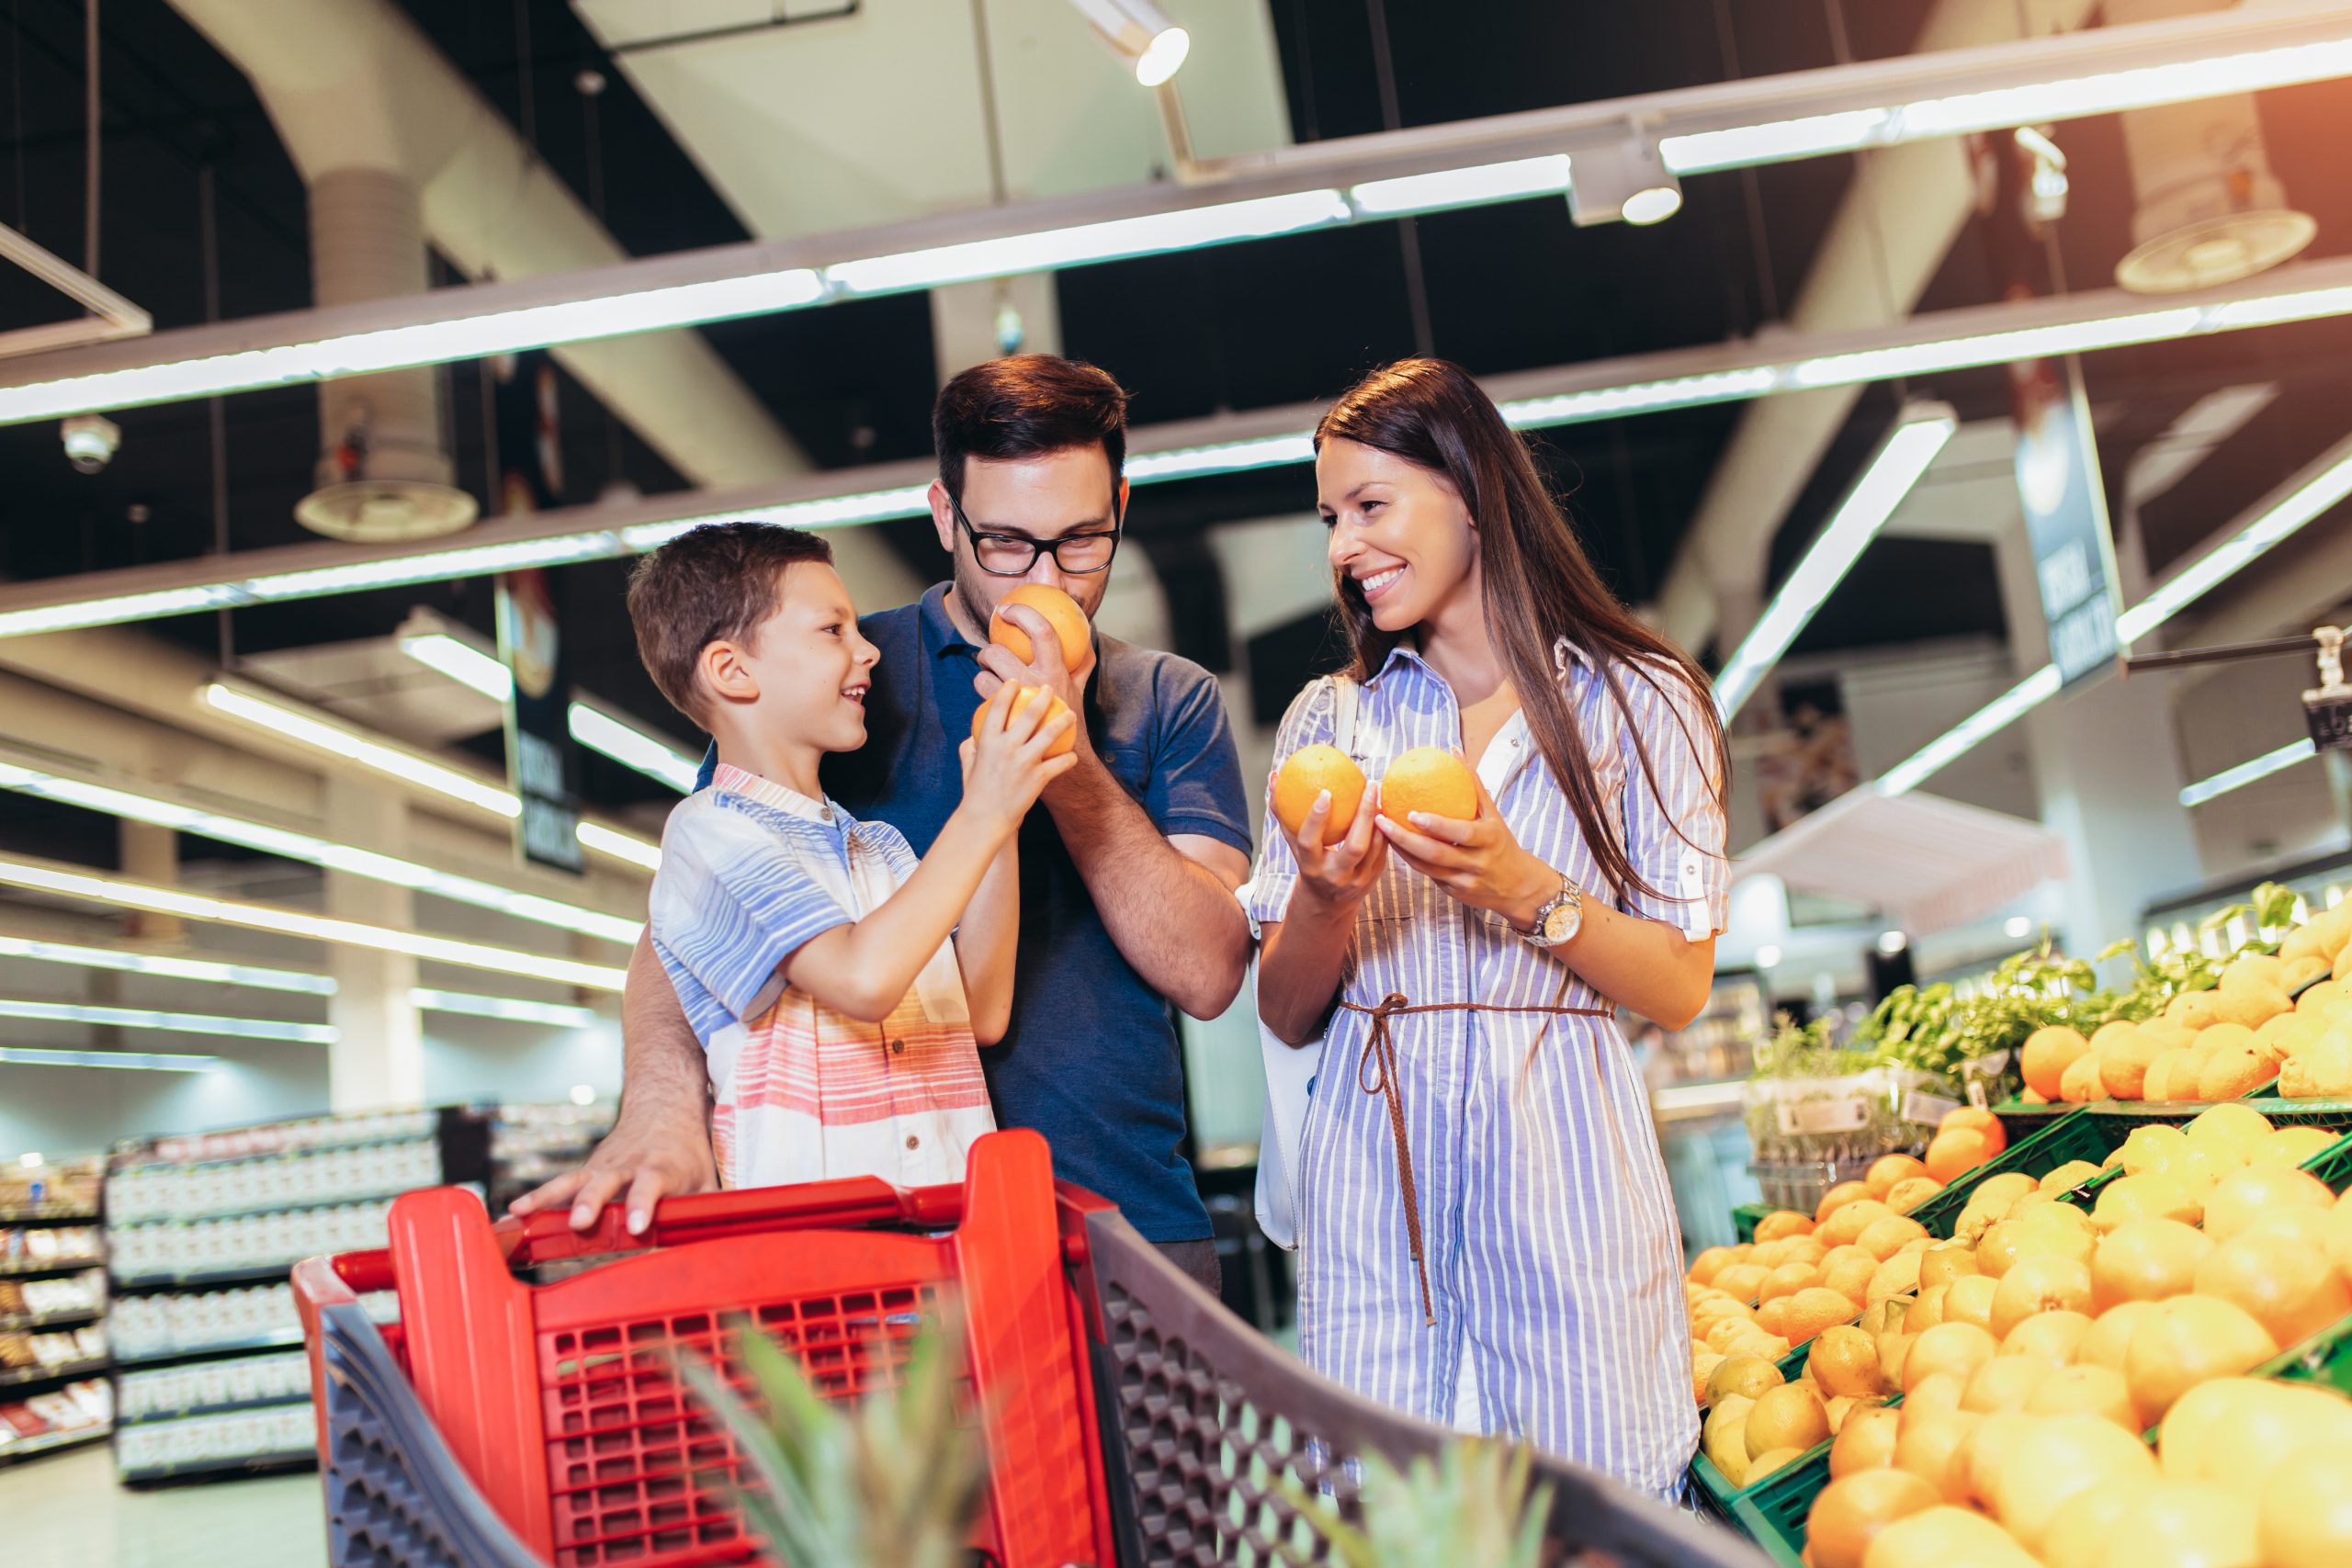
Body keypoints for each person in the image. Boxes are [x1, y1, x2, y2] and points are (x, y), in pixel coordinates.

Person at [517, 355, 1254, 1294]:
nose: (1050, 581)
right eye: (1005, 543)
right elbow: (684, 936)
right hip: (901, 1252)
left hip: (1129, 1221)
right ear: (946, 516)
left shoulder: (1167, 698)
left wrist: (1054, 760)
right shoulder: (838, 692)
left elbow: (1203, 972)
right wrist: (660, 1110)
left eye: (1080, 542)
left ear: (1118, 507)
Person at [1249, 358, 1728, 1497]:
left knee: (1592, 1511)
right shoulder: (1334, 718)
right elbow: (1282, 1005)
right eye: (1330, 518)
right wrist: (1325, 896)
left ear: (1469, 492)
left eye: (1371, 508)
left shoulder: (1639, 699)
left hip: (1560, 1164)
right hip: (1376, 1181)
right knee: (1394, 1516)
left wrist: (1524, 887)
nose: (1341, 547)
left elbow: (1677, 986)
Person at [624, 522, 1074, 1190]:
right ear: (731, 669)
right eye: (833, 630)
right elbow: (862, 977)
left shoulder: (880, 849)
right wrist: (982, 811)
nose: (868, 651)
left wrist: (1001, 808)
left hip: (950, 1251)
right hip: (822, 1272)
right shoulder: (710, 833)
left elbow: (981, 1007)